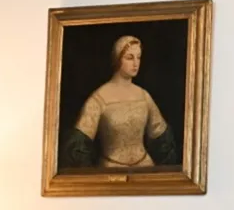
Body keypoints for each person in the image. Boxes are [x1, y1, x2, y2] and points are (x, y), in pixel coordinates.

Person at [60, 35, 178, 169]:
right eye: (129, 58)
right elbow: (78, 145)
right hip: (111, 170)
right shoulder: (100, 98)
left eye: (138, 57)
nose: (136, 63)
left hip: (145, 168)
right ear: (117, 59)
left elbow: (162, 138)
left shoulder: (143, 96)